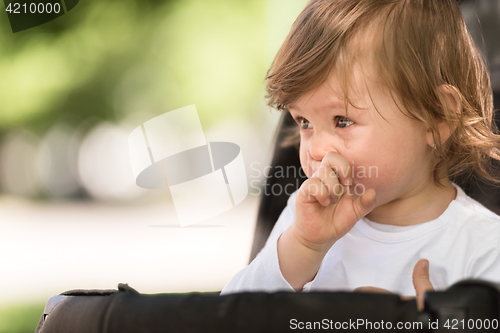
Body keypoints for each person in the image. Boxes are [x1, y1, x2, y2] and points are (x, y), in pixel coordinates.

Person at [221, 0, 500, 309]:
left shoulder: (485, 248)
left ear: (438, 116)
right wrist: (302, 247)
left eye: (343, 121)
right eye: (304, 122)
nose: (315, 150)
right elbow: (229, 317)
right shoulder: (303, 221)